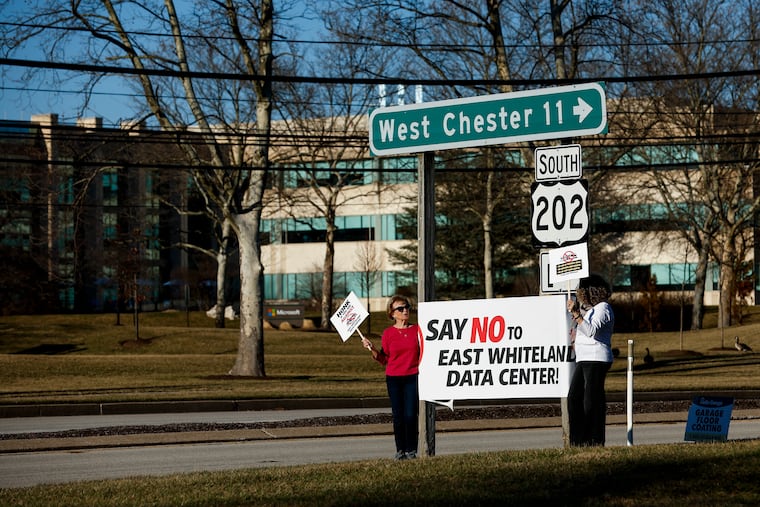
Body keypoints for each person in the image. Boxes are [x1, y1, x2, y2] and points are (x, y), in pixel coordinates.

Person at [361, 295, 420, 460]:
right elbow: (383, 359)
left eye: (407, 306)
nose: (405, 310)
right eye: (400, 308)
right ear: (392, 313)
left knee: (410, 415)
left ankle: (411, 450)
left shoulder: (417, 330)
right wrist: (372, 348)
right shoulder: (388, 333)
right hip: (394, 378)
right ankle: (400, 450)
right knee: (398, 416)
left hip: (412, 377)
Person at [566, 274, 615, 446]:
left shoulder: (604, 308)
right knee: (574, 397)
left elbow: (591, 331)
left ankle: (594, 439)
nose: (581, 296)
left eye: (583, 293)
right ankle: (578, 439)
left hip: (596, 358)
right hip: (584, 359)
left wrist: (576, 314)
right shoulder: (591, 310)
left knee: (591, 402)